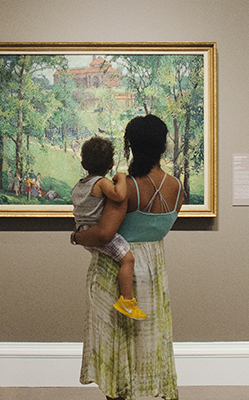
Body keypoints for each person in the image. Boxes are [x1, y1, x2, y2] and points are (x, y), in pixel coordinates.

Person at [72, 115, 183, 400]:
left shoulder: (128, 187)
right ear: (162, 146)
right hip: (154, 270)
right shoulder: (176, 187)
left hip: (115, 270)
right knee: (147, 340)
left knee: (116, 344)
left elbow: (105, 233)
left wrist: (77, 237)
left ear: (130, 146)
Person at [71, 137, 146, 321]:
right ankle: (126, 301)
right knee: (128, 259)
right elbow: (119, 195)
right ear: (111, 163)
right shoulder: (101, 183)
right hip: (97, 231)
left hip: (83, 230)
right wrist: (121, 177)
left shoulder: (79, 185)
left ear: (83, 163)